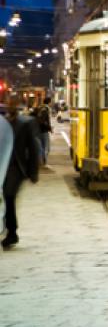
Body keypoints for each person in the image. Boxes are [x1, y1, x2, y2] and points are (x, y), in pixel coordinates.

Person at [2, 98, 40, 249]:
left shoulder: (25, 124)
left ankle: (12, 233)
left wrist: (33, 172)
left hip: (16, 168)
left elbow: (33, 148)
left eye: (12, 106)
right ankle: (9, 229)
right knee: (6, 198)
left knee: (9, 196)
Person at [33, 97, 53, 167]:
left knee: (40, 147)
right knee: (46, 147)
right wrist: (49, 127)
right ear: (49, 102)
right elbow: (44, 121)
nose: (51, 103)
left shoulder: (39, 107)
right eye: (51, 102)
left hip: (37, 130)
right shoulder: (46, 109)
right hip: (44, 130)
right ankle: (43, 162)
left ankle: (40, 162)